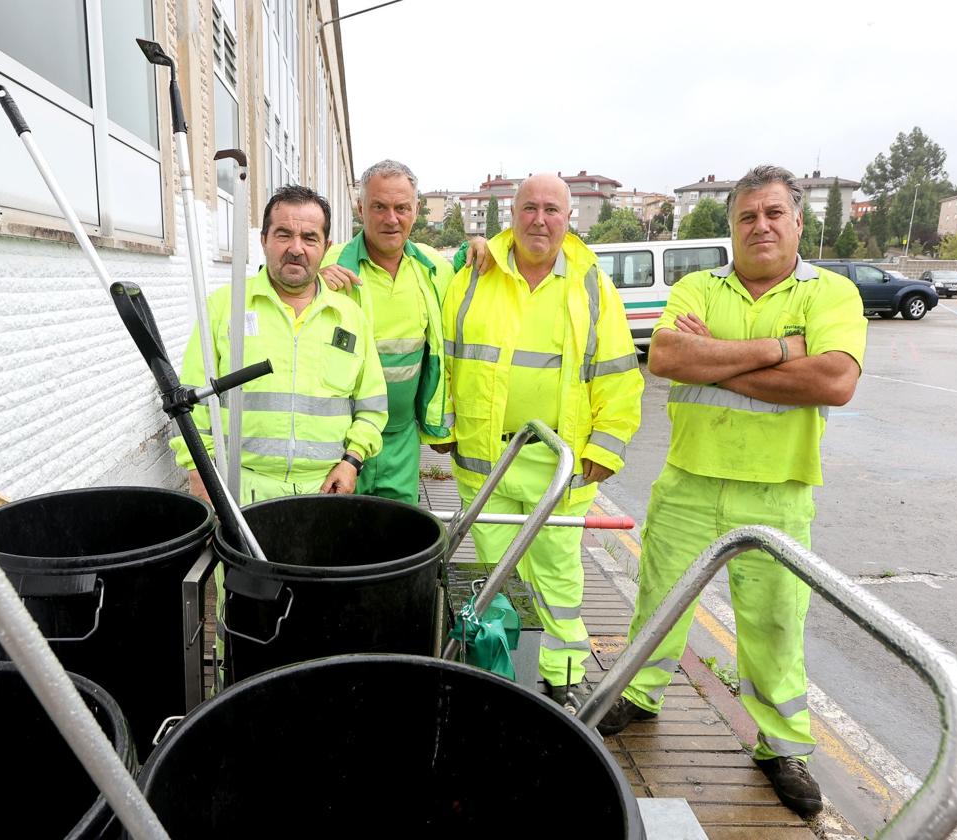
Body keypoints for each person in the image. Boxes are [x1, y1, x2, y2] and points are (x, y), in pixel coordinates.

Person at [596, 165, 866, 818]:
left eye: (774, 213)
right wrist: (778, 348)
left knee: (775, 626)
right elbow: (666, 358)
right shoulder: (697, 285)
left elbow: (833, 380)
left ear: (798, 222)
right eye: (747, 216)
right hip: (690, 482)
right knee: (659, 603)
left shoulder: (831, 293)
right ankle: (640, 694)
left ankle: (780, 746)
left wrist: (721, 361)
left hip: (778, 493)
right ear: (733, 227)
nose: (761, 225)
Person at [440, 173, 643, 707]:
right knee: (492, 579)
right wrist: (441, 426)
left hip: (558, 468)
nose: (540, 219)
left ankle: (562, 680)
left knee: (557, 582)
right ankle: (500, 677)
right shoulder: (473, 274)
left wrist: (606, 445)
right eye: (530, 207)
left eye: (552, 209)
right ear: (512, 213)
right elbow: (445, 354)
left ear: (567, 217)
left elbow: (619, 372)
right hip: (487, 461)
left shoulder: (591, 283)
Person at [172, 184, 388, 503]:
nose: (296, 248)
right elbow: (191, 402)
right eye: (284, 234)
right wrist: (198, 473)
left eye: (309, 237)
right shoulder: (224, 308)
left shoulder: (350, 318)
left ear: (326, 246)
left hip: (324, 491)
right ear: (264, 240)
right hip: (238, 491)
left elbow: (372, 407)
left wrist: (352, 462)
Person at [319, 160, 486, 504]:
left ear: (417, 210)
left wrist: (481, 243)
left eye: (401, 208)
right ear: (360, 208)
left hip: (402, 439)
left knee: (397, 540)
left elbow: (471, 267)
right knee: (338, 542)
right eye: (379, 206)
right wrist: (313, 286)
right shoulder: (327, 265)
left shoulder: (432, 267)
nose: (391, 218)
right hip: (339, 441)